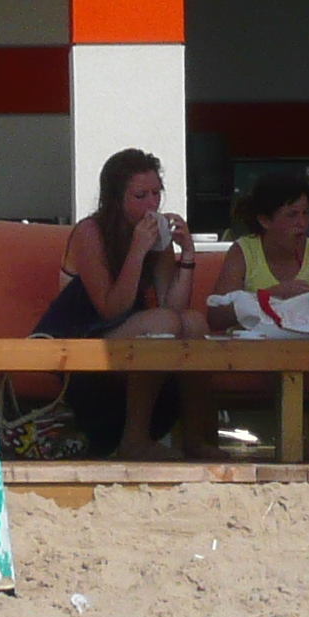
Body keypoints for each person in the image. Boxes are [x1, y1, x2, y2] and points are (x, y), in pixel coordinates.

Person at [36, 147, 199, 460]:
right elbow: (110, 308)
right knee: (162, 324)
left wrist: (187, 256)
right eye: (140, 196)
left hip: (123, 332)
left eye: (156, 194)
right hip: (78, 336)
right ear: (116, 198)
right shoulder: (90, 231)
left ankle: (196, 438)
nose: (152, 204)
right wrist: (137, 251)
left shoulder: (155, 235)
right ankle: (133, 440)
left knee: (194, 323)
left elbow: (174, 309)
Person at [219, 170, 309, 305]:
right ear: (264, 220)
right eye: (292, 215)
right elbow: (218, 316)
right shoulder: (243, 253)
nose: (302, 223)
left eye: (306, 213)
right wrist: (270, 295)